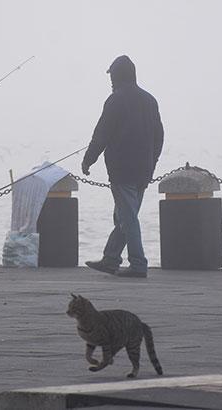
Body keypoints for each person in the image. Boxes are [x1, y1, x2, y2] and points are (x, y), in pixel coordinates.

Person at [82, 55, 164, 278]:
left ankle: (138, 264)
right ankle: (110, 259)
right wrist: (152, 162)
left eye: (112, 76)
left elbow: (101, 134)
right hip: (143, 170)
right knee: (124, 215)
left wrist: (88, 159)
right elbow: (159, 136)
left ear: (119, 76)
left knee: (128, 218)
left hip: (122, 169)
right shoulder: (150, 100)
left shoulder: (115, 100)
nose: (110, 81)